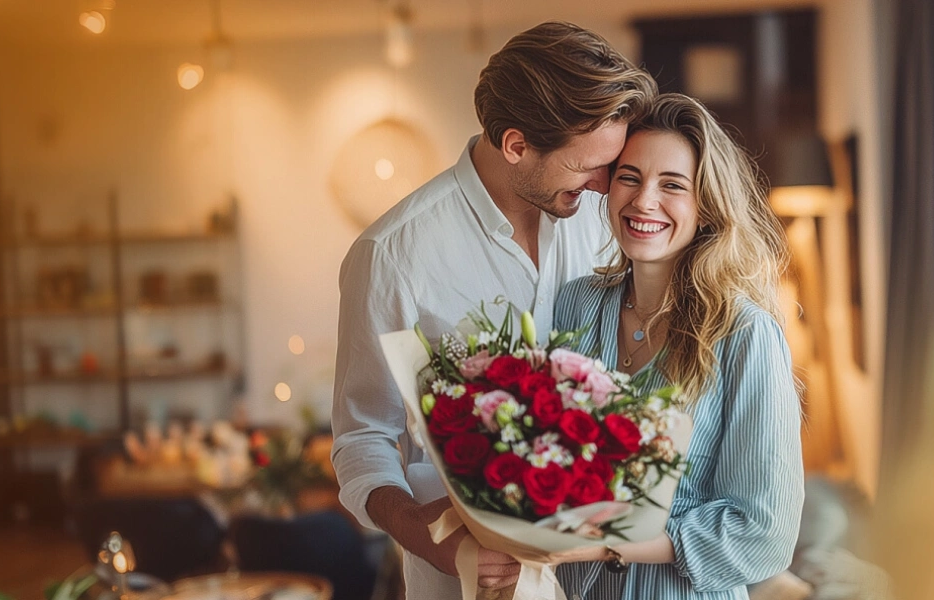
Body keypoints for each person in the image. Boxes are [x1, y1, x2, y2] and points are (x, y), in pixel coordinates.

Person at [330, 21, 656, 598]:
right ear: (516, 144)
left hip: (605, 576)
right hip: (462, 583)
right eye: (588, 169)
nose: (607, 186)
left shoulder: (603, 224)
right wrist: (439, 543)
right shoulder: (392, 256)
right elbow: (362, 441)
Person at [541, 93, 805, 598]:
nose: (644, 201)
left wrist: (606, 544)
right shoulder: (575, 304)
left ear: (705, 206)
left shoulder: (745, 333)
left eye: (672, 186)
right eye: (630, 177)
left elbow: (764, 533)